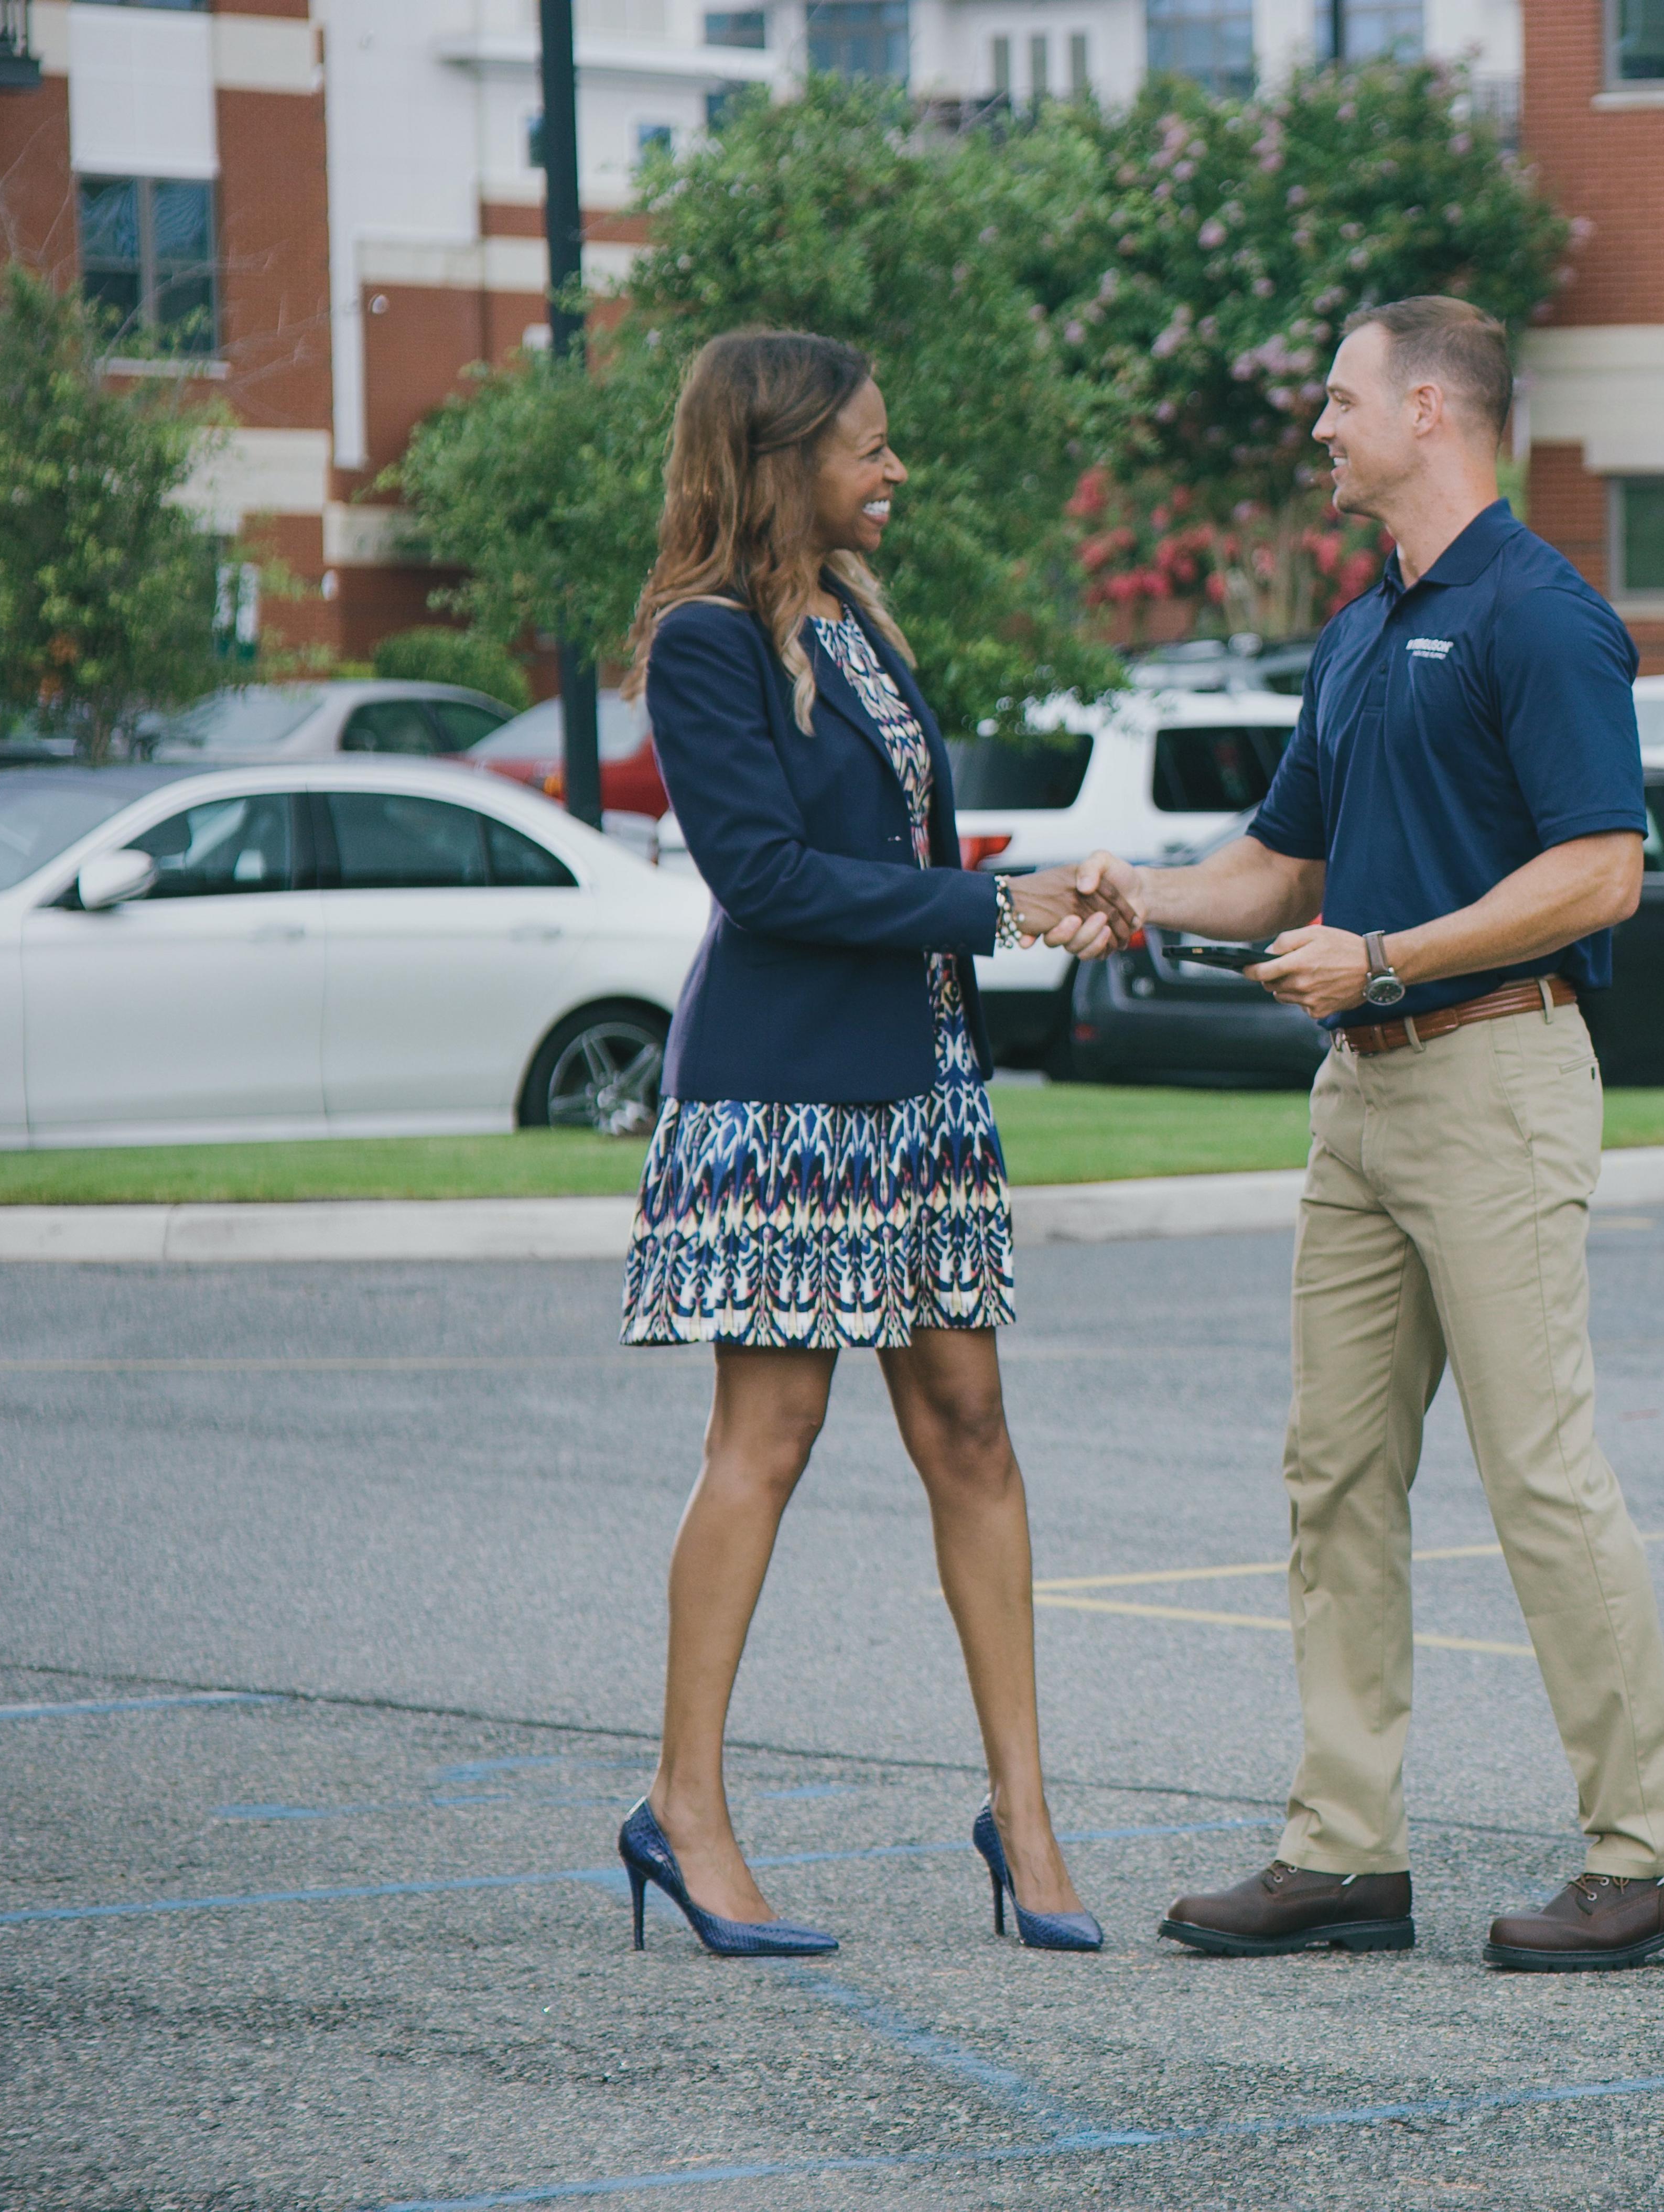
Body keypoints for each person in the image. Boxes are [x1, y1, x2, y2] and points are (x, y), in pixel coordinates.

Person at [1068, 296, 1664, 1971]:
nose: (1321, 425)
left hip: (1496, 1074)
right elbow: (1280, 865)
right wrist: (1137, 891)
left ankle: (1661, 1847)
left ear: (1433, 409)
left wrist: (1389, 956)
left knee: (1539, 1471)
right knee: (1335, 1472)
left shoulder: (1543, 617)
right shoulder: (1364, 630)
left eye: (1343, 398)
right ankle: (1345, 1851)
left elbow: (1604, 868)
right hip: (1360, 1097)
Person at [610, 330, 1130, 1959]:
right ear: (779, 463)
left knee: (972, 1429)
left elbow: (902, 854)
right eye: (870, 447)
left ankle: (1026, 1817)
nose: (896, 470)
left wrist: (1038, 887)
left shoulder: (857, 620)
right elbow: (763, 876)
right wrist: (993, 904)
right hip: (781, 1103)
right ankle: (683, 1809)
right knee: (765, 1439)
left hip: (920, 1088)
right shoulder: (703, 642)